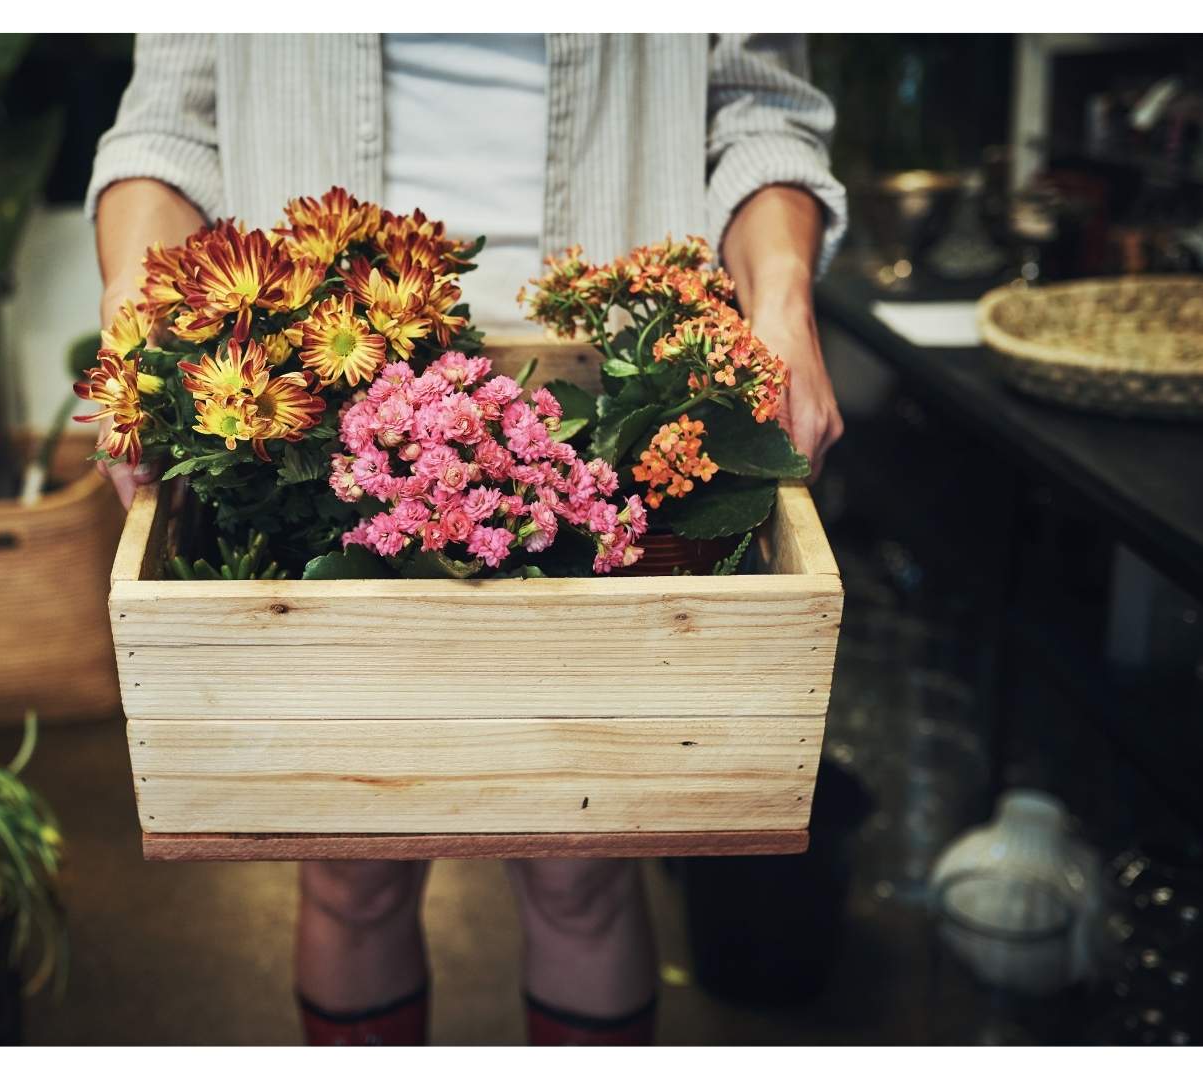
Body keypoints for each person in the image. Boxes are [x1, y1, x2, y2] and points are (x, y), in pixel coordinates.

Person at [86, 33, 847, 1046]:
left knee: (583, 869)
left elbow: (759, 113)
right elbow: (169, 128)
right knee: (349, 865)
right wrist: (136, 328)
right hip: (322, 386)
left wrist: (782, 298)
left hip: (597, 379)